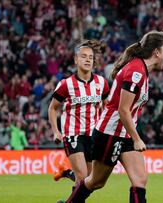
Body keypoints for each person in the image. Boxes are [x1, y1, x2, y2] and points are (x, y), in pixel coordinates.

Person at [65, 30, 163, 203]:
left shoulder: (141, 69)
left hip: (125, 132)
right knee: (96, 181)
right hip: (110, 133)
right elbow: (123, 110)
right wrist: (137, 139)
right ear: (156, 52)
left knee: (140, 180)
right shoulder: (136, 72)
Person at [48, 40, 110, 198]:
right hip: (73, 134)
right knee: (83, 177)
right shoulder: (66, 85)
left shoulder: (101, 83)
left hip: (93, 135)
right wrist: (56, 131)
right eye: (83, 56)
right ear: (76, 60)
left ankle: (67, 174)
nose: (88, 59)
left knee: (89, 181)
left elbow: (106, 106)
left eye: (90, 57)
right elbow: (52, 108)